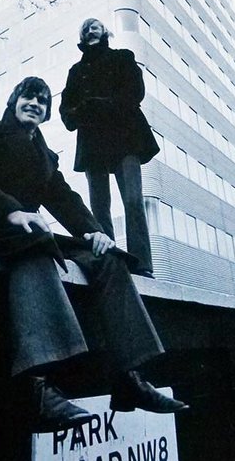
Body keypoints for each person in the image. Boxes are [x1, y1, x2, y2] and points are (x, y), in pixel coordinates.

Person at [0, 76, 187, 433]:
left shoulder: (45, 156)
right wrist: (9, 211)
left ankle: (128, 379)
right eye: (28, 96)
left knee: (107, 258)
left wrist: (94, 232)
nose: (35, 103)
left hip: (30, 230)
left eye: (42, 101)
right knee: (36, 243)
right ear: (14, 101)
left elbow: (63, 199)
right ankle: (40, 389)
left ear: (46, 114)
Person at [60, 18, 160, 278]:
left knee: (133, 201)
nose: (90, 30)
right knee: (99, 207)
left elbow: (134, 92)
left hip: (125, 137)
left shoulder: (123, 57)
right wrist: (83, 110)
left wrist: (97, 105)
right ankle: (110, 259)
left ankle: (142, 264)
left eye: (95, 26)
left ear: (105, 32)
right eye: (85, 29)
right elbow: (66, 110)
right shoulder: (75, 71)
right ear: (81, 38)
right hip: (93, 144)